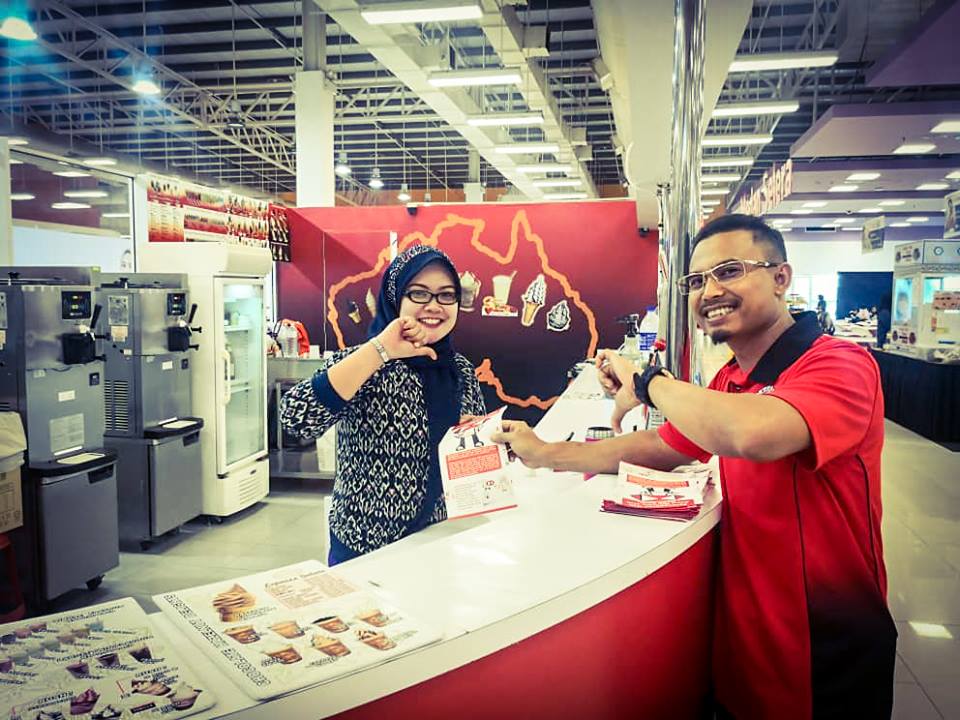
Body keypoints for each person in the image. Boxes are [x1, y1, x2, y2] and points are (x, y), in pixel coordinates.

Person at [493, 214, 895, 719]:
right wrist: (547, 453)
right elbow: (663, 445)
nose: (710, 291)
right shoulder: (731, 378)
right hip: (748, 646)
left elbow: (752, 433)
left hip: (825, 646)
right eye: (698, 280)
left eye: (729, 271)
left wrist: (648, 382)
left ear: (781, 278)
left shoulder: (838, 363)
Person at [281, 246, 486, 565]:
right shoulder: (364, 362)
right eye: (419, 293)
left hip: (437, 541)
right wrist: (381, 350)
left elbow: (469, 457)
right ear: (395, 299)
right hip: (364, 548)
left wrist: (488, 445)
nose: (434, 305)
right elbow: (295, 419)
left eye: (447, 295)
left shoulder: (460, 370)